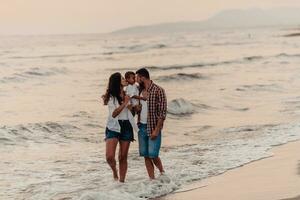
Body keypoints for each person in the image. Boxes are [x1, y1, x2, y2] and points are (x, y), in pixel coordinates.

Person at [102, 72, 137, 183]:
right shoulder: (112, 97)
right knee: (109, 157)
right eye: (122, 78)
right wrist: (125, 103)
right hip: (113, 126)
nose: (125, 79)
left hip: (126, 125)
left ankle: (122, 182)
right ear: (117, 82)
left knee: (123, 156)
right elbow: (114, 114)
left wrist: (134, 108)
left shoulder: (129, 93)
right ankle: (114, 171)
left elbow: (132, 112)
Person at [136, 68, 167, 179]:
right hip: (141, 127)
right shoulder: (139, 91)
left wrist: (157, 130)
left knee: (153, 155)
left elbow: (162, 113)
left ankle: (162, 173)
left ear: (142, 77)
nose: (136, 80)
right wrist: (137, 109)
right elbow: (138, 110)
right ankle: (152, 180)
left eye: (137, 77)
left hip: (153, 127)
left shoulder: (158, 90)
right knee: (146, 155)